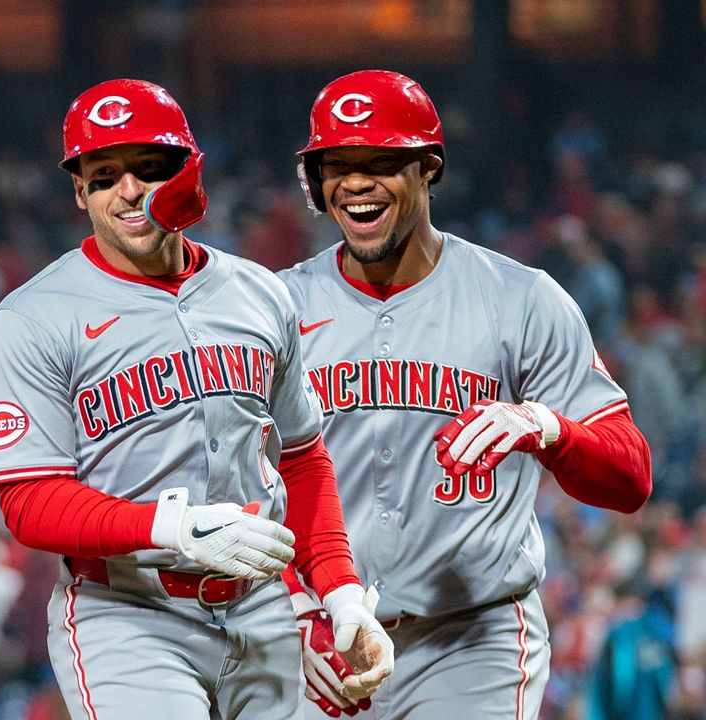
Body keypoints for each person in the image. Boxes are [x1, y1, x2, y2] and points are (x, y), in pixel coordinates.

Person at [0, 78, 393, 720]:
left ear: (185, 170)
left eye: (148, 168)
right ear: (78, 188)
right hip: (129, 612)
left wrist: (337, 594)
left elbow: (302, 460)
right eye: (104, 172)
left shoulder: (258, 293)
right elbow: (30, 500)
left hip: (261, 609)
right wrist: (169, 527)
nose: (128, 190)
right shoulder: (32, 318)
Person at [276, 70, 652, 719]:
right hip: (321, 632)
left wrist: (550, 428)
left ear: (428, 168)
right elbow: (235, 483)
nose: (356, 182)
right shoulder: (272, 307)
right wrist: (286, 609)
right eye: (337, 164)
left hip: (472, 642)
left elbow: (630, 477)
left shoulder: (521, 298)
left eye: (382, 162)